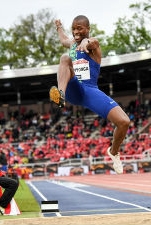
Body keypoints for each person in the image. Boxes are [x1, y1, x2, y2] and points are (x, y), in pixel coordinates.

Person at [49, 15, 130, 174]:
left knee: (124, 122)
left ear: (88, 29)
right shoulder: (72, 44)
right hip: (73, 89)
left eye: (80, 28)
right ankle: (61, 95)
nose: (76, 31)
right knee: (65, 58)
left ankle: (113, 152)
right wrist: (59, 27)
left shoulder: (93, 44)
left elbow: (92, 42)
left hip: (90, 91)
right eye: (74, 28)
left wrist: (86, 42)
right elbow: (64, 39)